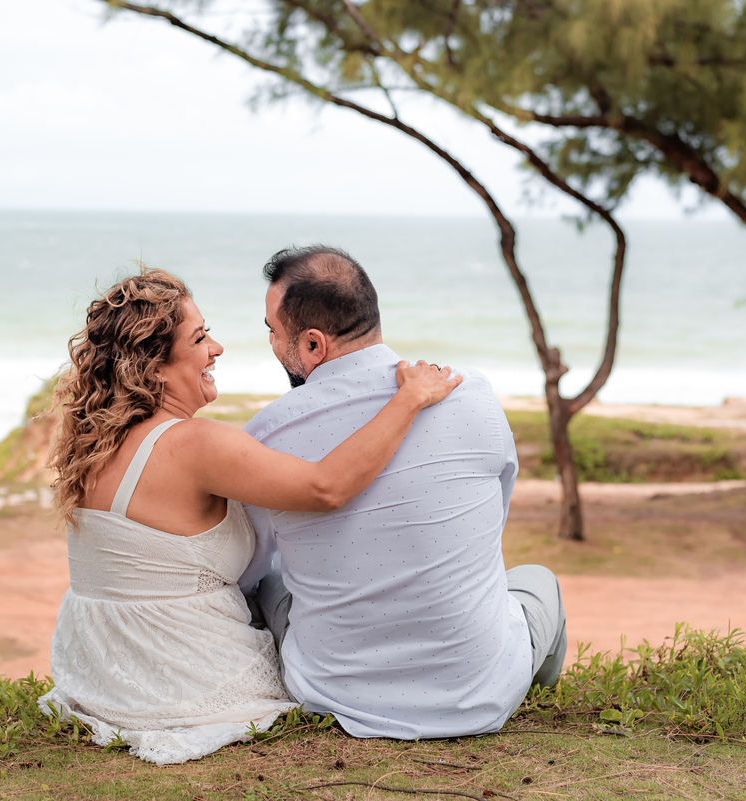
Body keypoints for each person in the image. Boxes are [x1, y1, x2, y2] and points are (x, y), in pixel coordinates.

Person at [37, 267, 462, 765]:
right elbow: (327, 488)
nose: (216, 348)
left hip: (100, 673)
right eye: (199, 338)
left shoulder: (93, 445)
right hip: (182, 674)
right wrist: (409, 398)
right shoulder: (195, 444)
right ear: (153, 368)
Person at [239, 245, 568, 740]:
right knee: (536, 579)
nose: (269, 341)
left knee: (270, 580)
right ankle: (531, 683)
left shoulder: (267, 435)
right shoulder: (470, 393)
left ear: (311, 344)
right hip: (480, 695)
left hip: (332, 693)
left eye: (272, 330)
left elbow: (250, 564)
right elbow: (489, 525)